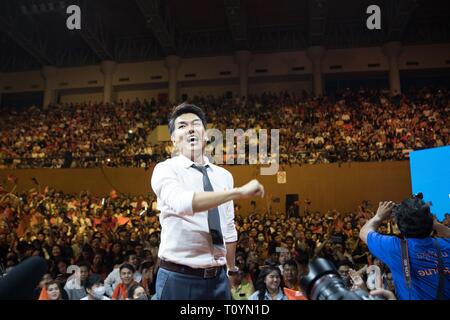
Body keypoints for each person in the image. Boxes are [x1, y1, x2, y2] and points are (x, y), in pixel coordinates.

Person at [151, 103, 265, 300]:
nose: (191, 128)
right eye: (182, 126)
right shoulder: (165, 169)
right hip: (178, 277)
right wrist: (237, 193)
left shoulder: (224, 176)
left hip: (218, 278)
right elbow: (183, 202)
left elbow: (228, 228)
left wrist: (230, 270)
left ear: (205, 134)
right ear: (173, 139)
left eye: (196, 124)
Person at [360, 199, 450, 300]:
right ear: (431, 221)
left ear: (399, 226)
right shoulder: (446, 245)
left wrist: (378, 216)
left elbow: (364, 232)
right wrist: (434, 224)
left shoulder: (393, 248)